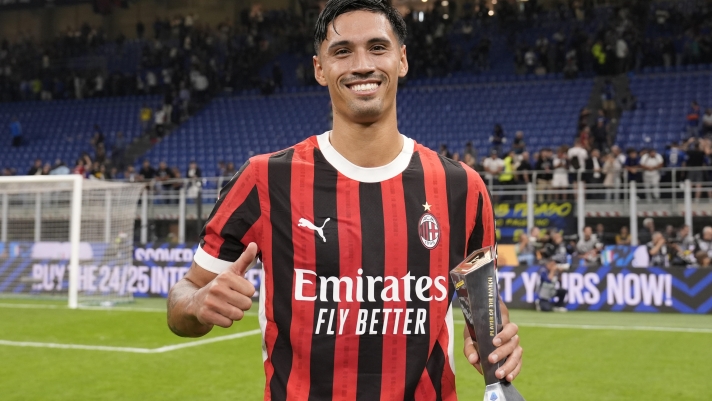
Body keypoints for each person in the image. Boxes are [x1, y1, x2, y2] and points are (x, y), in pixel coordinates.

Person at [166, 2, 522, 400]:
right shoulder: (264, 179)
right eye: (341, 51)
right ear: (320, 68)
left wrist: (497, 338)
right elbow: (182, 300)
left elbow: (485, 306)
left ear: (401, 60)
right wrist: (197, 304)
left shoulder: (462, 188)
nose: (362, 65)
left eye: (377, 47)